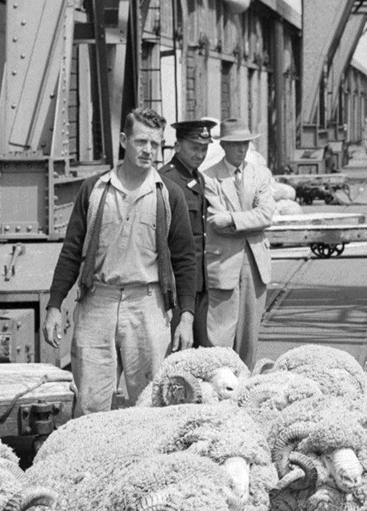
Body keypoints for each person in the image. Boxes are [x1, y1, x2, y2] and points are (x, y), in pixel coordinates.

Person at [45, 106, 201, 412]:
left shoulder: (168, 194)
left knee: (150, 403)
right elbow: (72, 251)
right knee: (90, 404)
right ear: (123, 140)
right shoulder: (94, 190)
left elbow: (185, 259)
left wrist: (186, 316)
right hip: (97, 302)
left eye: (155, 144)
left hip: (147, 305)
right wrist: (54, 304)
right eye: (141, 141)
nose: (148, 150)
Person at [203, 123, 277, 366]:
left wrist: (233, 219)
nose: (241, 149)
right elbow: (216, 222)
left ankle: (245, 384)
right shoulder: (209, 177)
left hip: (255, 263)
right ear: (223, 145)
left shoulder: (261, 174)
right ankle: (221, 385)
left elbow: (266, 214)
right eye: (235, 144)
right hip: (223, 262)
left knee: (249, 334)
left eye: (245, 143)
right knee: (220, 334)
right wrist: (250, 221)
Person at [164, 118, 215, 346]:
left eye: (204, 149)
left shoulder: (197, 178)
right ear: (177, 146)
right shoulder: (167, 179)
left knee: (198, 349)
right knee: (177, 349)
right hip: (177, 283)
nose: (200, 154)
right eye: (194, 148)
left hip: (199, 281)